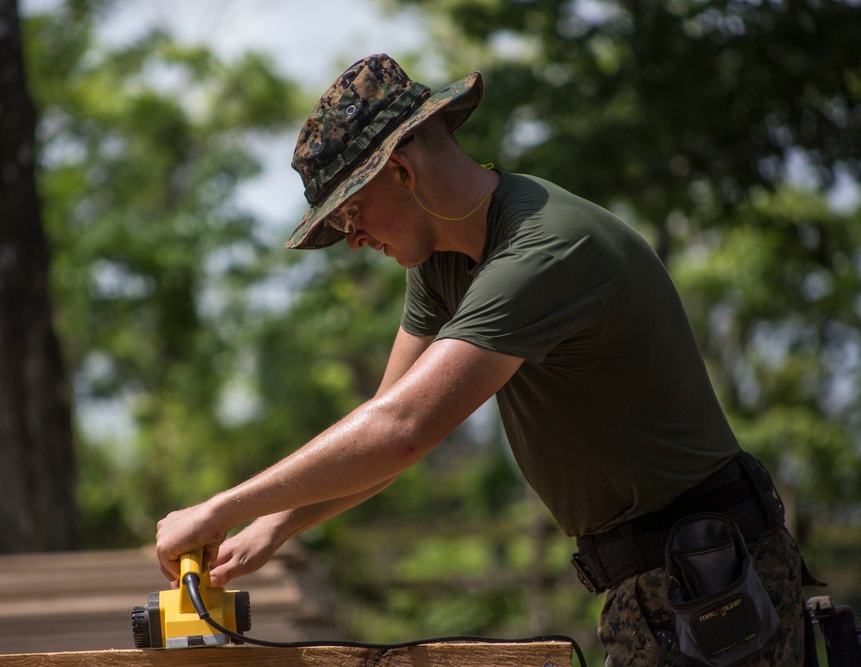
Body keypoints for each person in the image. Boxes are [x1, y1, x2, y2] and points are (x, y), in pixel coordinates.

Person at [156, 54, 812, 666]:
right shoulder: (441, 262)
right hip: (647, 581)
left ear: (403, 173)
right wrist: (272, 525)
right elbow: (383, 428)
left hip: (717, 573)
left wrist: (218, 507)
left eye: (353, 214)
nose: (354, 241)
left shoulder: (542, 251)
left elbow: (402, 430)